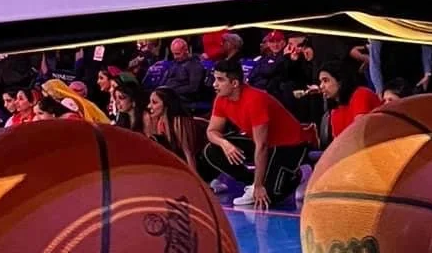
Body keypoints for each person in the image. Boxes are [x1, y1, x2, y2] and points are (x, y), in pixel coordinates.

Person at [201, 58, 308, 210]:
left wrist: (260, 186)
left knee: (269, 197)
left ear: (235, 83)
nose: (214, 84)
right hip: (264, 143)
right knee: (212, 151)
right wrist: (226, 145)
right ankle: (252, 182)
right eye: (214, 79)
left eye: (220, 80)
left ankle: (301, 173)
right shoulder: (221, 99)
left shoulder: (255, 100)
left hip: (290, 144)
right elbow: (212, 131)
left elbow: (262, 146)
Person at [317, 60, 379, 143]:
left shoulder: (361, 94)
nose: (321, 86)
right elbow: (338, 143)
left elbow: (359, 134)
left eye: (325, 80)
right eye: (320, 82)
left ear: (340, 81)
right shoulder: (335, 111)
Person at [144, 85, 202, 171]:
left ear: (167, 104)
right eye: (150, 102)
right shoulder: (160, 122)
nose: (149, 106)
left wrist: (196, 181)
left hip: (200, 163)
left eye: (154, 102)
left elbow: (190, 155)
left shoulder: (179, 122)